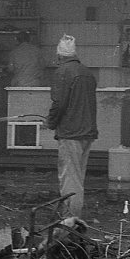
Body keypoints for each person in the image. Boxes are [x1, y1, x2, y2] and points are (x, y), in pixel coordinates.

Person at [47, 34, 98, 218]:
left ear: (59, 56)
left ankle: (70, 220)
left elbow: (59, 104)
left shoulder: (62, 72)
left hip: (70, 133)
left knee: (70, 179)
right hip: (87, 132)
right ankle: (72, 216)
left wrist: (50, 122)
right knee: (78, 177)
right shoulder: (87, 72)